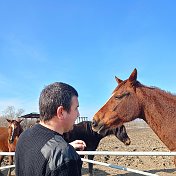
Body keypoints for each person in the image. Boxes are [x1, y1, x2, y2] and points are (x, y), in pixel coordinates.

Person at [15, 82, 86, 176]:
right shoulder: (66, 158)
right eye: (76, 108)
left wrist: (65, 147)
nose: (78, 114)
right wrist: (64, 150)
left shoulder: (24, 136)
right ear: (61, 112)